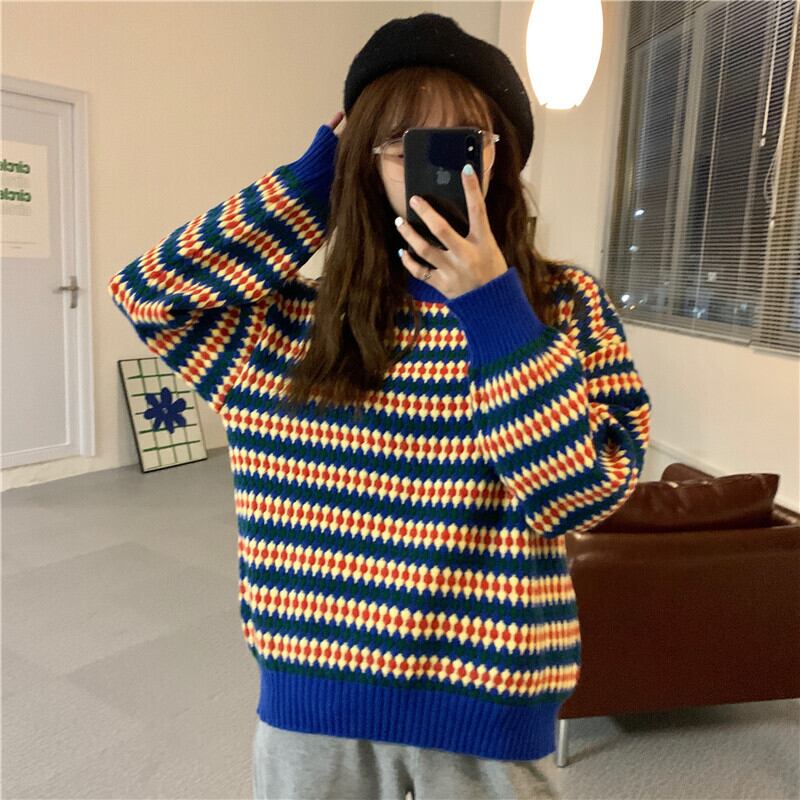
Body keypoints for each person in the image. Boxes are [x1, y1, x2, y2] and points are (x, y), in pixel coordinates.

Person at [108, 12, 652, 800]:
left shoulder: (563, 307)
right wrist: (309, 188)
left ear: (499, 155)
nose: (435, 163)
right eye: (402, 141)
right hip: (314, 709)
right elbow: (151, 294)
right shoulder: (289, 324)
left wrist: (495, 311)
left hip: (490, 710)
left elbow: (577, 499)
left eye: (463, 140)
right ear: (365, 158)